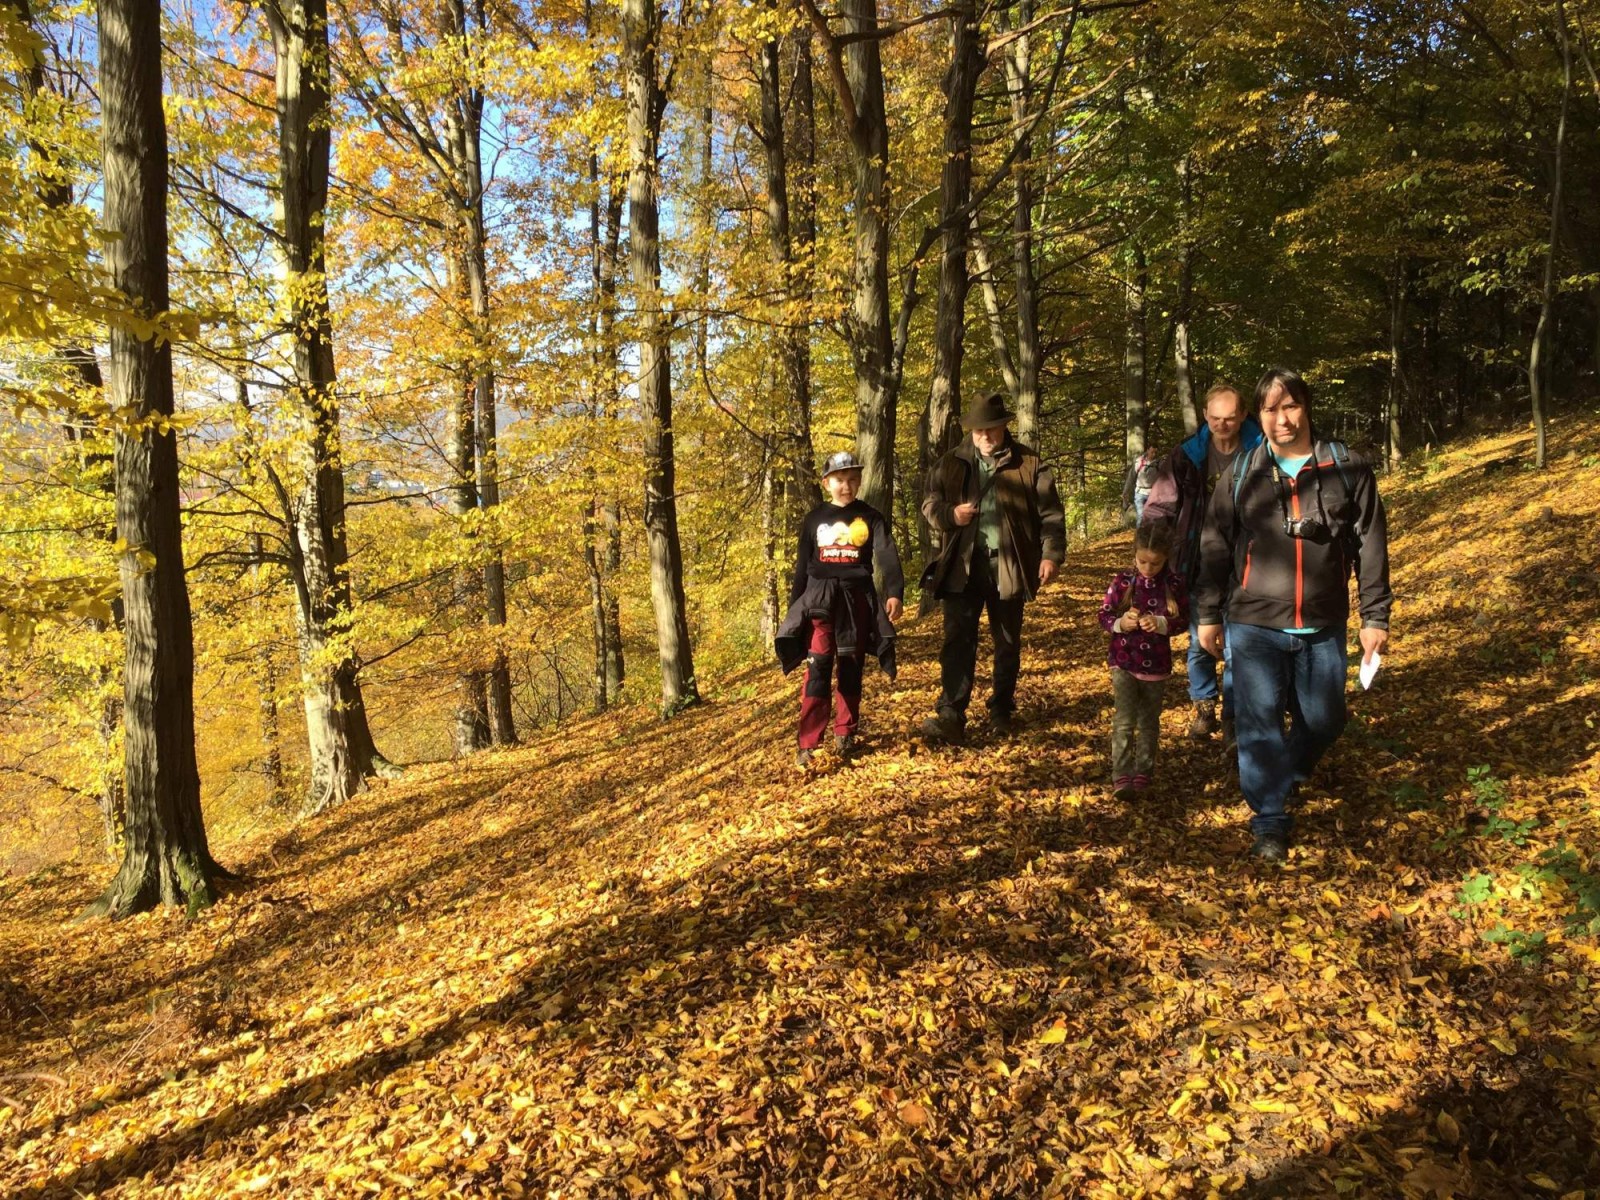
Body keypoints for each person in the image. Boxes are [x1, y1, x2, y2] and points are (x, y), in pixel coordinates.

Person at [1195, 367, 1392, 861]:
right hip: (1254, 622)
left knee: (1326, 719)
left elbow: (1371, 544)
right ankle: (1269, 819)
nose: (1282, 419)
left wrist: (1375, 617)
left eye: (1291, 406)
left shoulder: (1346, 467)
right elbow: (1215, 543)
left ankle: (1287, 773)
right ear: (1258, 416)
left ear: (1306, 407)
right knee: (1258, 724)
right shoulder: (1243, 472)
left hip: (1323, 622)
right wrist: (1208, 614)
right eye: (1270, 409)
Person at [919, 391, 1066, 742]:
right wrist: (950, 515)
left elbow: (1051, 515)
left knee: (1007, 641)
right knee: (957, 641)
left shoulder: (1029, 464)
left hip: (1010, 565)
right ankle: (951, 714)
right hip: (962, 567)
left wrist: (1050, 555)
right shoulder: (949, 463)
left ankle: (1001, 711)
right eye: (979, 430)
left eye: (992, 429)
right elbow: (929, 504)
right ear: (970, 430)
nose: (985, 436)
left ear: (1004, 427)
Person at [1141, 382, 1264, 747]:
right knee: (1199, 640)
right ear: (1205, 416)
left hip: (1251, 560)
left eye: (1230, 418)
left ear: (1243, 415)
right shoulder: (1187, 455)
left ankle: (1233, 715)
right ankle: (1204, 704)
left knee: (1239, 644)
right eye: (1215, 418)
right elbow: (1160, 505)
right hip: (1197, 560)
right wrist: (1150, 547)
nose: (1222, 425)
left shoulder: (1262, 450)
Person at [776, 451, 903, 769]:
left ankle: (845, 733)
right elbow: (802, 566)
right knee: (818, 666)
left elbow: (886, 554)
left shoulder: (871, 517)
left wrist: (894, 593)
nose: (846, 486)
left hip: (855, 599)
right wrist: (795, 607)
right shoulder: (814, 519)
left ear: (859, 482)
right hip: (819, 602)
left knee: (851, 665)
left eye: (852, 480)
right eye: (839, 480)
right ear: (826, 483)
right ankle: (808, 743)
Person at [1099, 521, 1189, 801]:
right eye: (1143, 561)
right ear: (1134, 554)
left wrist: (1161, 623)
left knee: (1149, 721)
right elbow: (1104, 614)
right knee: (1124, 720)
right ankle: (1121, 774)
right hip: (1123, 661)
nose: (1148, 568)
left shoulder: (1174, 584)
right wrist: (1120, 623)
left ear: (1166, 558)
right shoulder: (1123, 580)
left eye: (1155, 563)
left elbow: (1184, 620)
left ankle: (1144, 771)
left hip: (1156, 665)